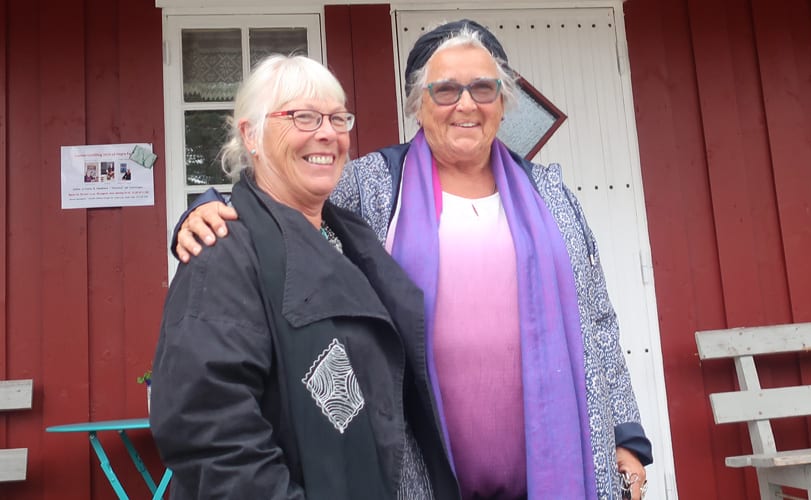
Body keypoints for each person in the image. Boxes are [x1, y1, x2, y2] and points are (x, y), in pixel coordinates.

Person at [174, 20, 653, 500]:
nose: (466, 104)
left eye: (483, 88)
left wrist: (626, 437)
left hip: (556, 464)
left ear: (503, 101)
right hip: (418, 470)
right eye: (445, 90)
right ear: (417, 105)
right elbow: (283, 200)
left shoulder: (551, 193)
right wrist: (206, 210)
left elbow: (597, 319)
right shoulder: (374, 184)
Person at [149, 54, 459, 499]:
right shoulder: (223, 251)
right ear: (251, 135)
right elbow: (209, 431)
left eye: (337, 118)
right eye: (303, 117)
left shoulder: (351, 236)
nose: (328, 133)